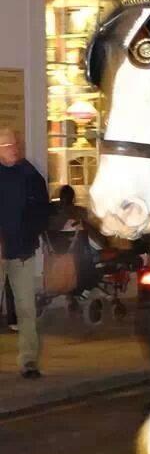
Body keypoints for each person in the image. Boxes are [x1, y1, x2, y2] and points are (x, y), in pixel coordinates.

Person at [0, 127, 50, 378]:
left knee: (26, 308)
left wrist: (32, 233)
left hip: (22, 252)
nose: (13, 149)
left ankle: (29, 361)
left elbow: (42, 207)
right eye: (6, 146)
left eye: (14, 144)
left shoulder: (28, 173)